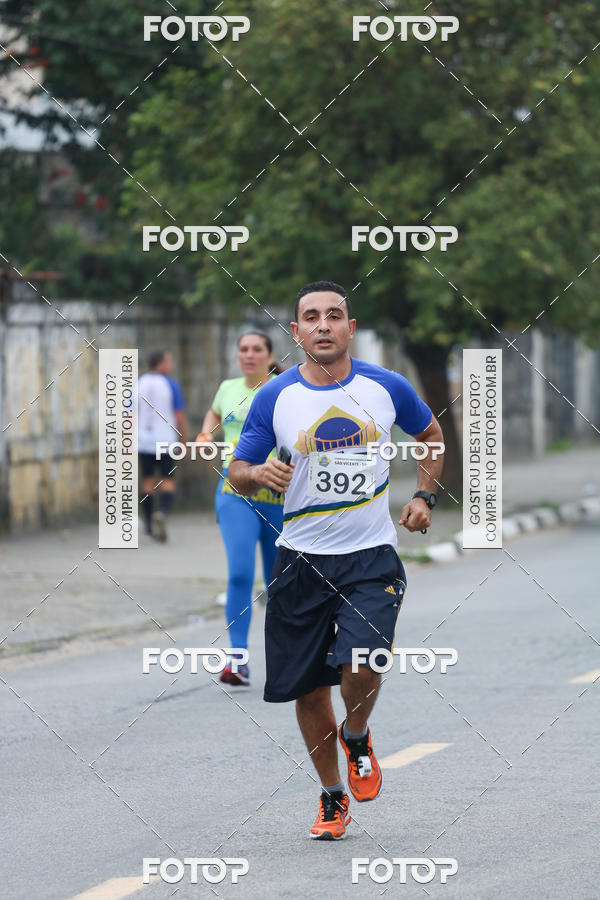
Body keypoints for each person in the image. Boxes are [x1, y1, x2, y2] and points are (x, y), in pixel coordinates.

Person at [228, 281, 444, 840]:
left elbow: (430, 434)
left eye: (334, 315)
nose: (322, 324)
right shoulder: (275, 397)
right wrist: (258, 473)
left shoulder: (385, 386)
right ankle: (331, 795)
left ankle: (357, 734)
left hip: (370, 558)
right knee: (308, 689)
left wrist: (424, 496)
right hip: (300, 562)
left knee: (363, 664)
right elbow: (237, 470)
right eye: (311, 317)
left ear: (351, 327)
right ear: (296, 331)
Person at [197, 330, 285, 687]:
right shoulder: (228, 388)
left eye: (256, 349)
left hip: (278, 495)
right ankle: (238, 659)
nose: (249, 355)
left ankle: (288, 659)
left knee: (280, 582)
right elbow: (214, 413)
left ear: (269, 356)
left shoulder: (284, 389)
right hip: (234, 491)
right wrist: (206, 435)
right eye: (243, 349)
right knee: (239, 575)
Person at [138, 349, 187, 542]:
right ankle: (163, 512)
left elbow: (129, 415)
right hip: (165, 441)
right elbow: (179, 415)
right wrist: (184, 440)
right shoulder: (170, 384)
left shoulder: (138, 383)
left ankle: (148, 525)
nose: (171, 364)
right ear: (160, 363)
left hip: (144, 441)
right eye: (169, 360)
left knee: (147, 482)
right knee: (167, 480)